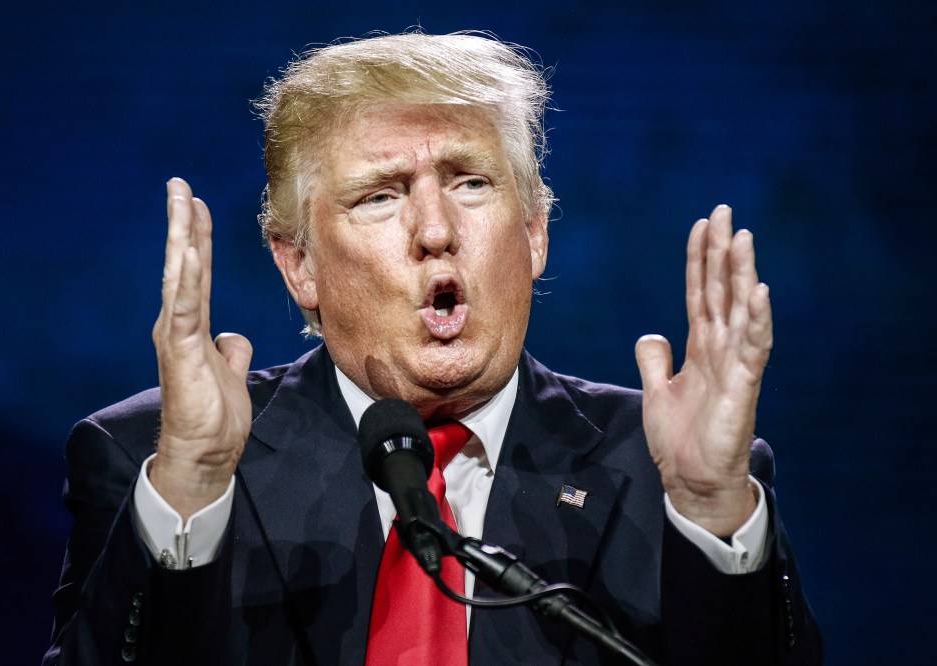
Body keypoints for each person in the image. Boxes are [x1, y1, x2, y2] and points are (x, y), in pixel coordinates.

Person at [44, 31, 822, 665]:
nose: (436, 231)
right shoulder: (153, 458)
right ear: (299, 264)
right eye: (380, 196)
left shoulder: (673, 473)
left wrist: (711, 509)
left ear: (535, 231)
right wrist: (192, 489)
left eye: (471, 183)